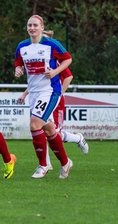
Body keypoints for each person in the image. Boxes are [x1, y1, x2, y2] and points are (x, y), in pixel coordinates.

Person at [18, 30, 89, 171]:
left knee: (54, 132)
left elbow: (69, 77)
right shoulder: (37, 58)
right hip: (41, 97)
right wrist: (25, 94)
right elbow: (35, 83)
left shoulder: (56, 61)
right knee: (42, 129)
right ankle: (47, 163)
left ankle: (77, 139)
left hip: (54, 98)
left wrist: (60, 93)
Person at [14, 15, 73, 179]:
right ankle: (65, 162)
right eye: (29, 25)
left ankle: (43, 165)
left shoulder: (52, 44)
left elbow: (68, 59)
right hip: (34, 93)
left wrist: (55, 72)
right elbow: (18, 64)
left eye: (35, 25)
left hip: (50, 91)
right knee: (49, 129)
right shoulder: (22, 46)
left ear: (42, 27)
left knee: (34, 124)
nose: (32, 28)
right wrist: (18, 70)